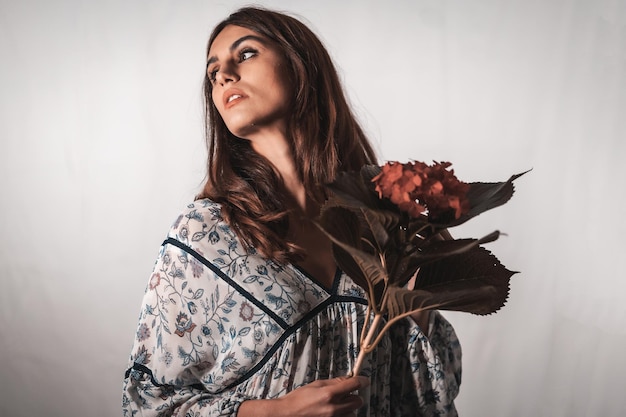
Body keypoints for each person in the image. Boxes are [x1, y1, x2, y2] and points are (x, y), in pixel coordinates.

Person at [122, 6, 461, 417]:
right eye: (213, 73)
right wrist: (274, 413)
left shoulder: (376, 224)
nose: (224, 75)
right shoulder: (204, 237)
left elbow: (434, 389)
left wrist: (419, 299)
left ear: (301, 65)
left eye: (245, 54)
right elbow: (147, 406)